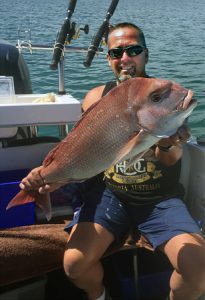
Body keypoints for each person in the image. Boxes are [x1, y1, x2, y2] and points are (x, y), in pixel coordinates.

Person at [19, 23, 205, 300]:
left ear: (146, 54)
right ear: (108, 58)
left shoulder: (163, 95)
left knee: (198, 270)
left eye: (133, 50)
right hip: (110, 194)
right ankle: (101, 296)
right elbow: (81, 149)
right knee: (74, 265)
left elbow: (170, 161)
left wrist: (166, 143)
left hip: (158, 198)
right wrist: (49, 175)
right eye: (116, 52)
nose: (125, 58)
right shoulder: (94, 97)